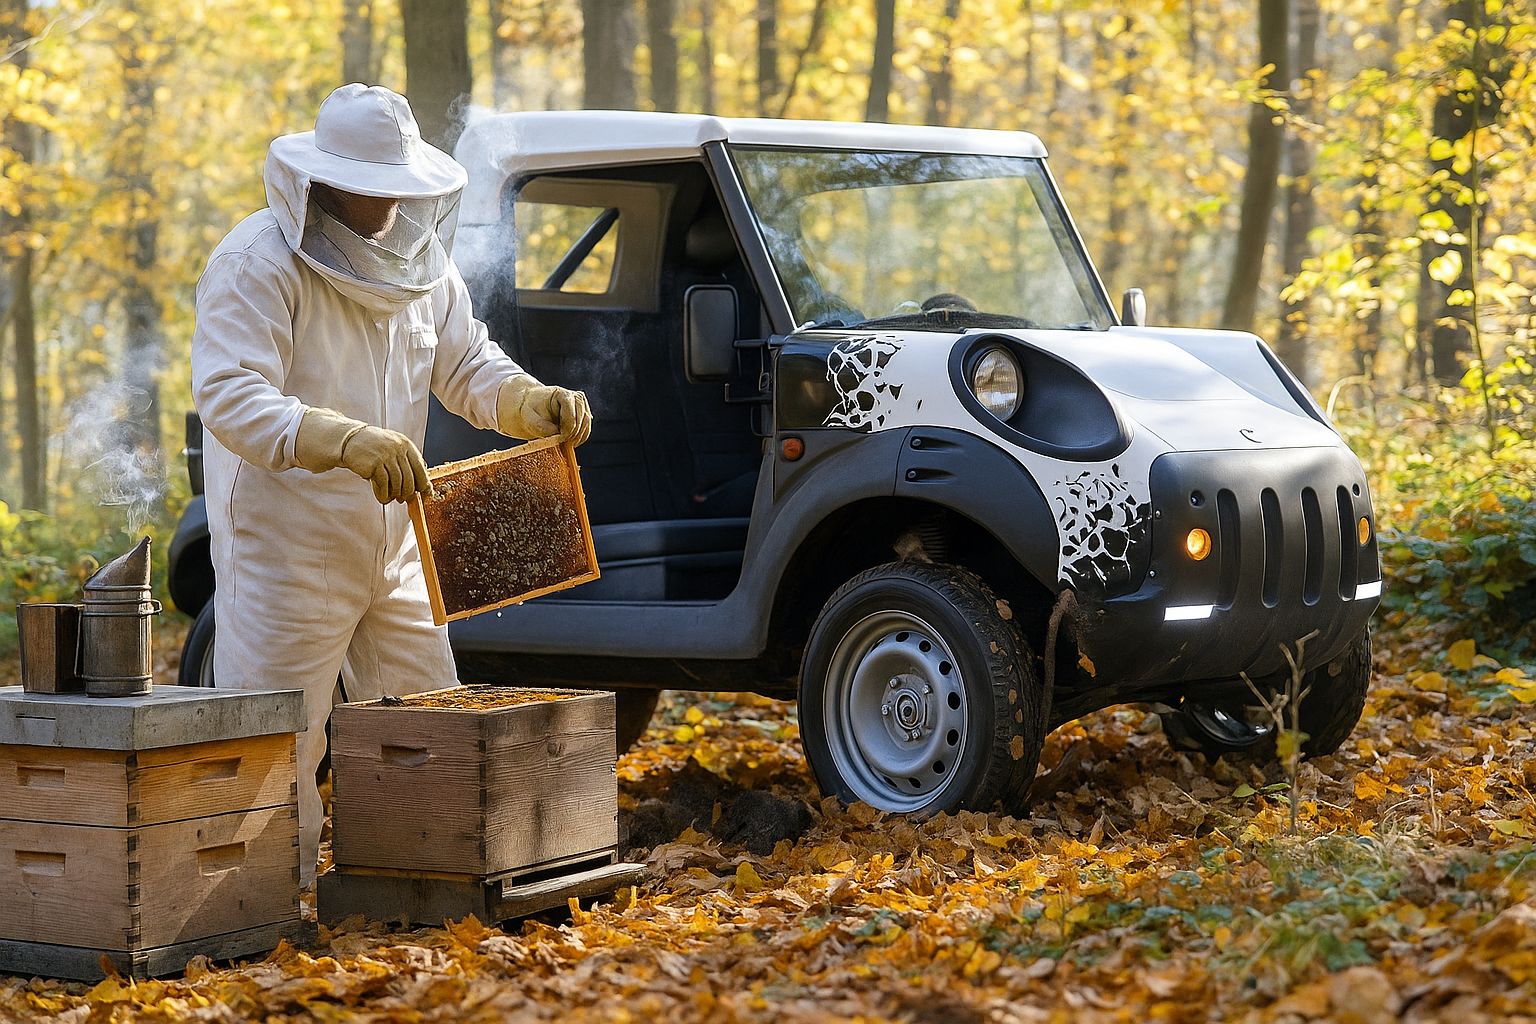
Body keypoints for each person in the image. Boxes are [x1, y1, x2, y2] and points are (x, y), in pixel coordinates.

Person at [191, 84, 591, 884]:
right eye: (371, 188)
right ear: (324, 181)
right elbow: (230, 395)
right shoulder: (255, 261)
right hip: (287, 545)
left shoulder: (422, 263)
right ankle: (262, 907)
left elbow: (466, 363)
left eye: (398, 188)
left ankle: (418, 888)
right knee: (276, 743)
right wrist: (342, 439)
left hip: (398, 541)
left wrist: (527, 400)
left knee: (429, 725)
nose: (388, 205)